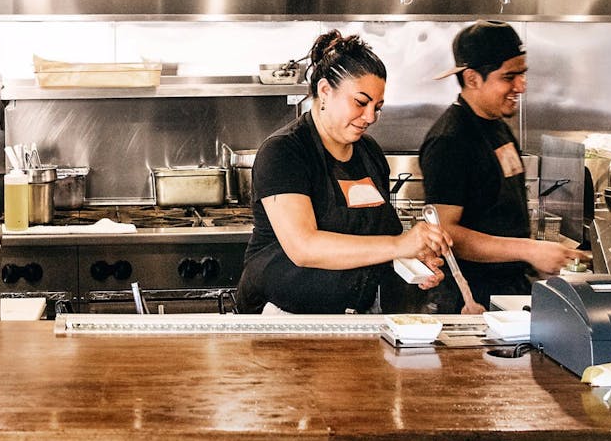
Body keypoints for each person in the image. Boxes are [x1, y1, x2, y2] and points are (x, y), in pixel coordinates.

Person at [235, 30, 449, 315]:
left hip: (353, 315)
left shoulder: (369, 153)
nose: (370, 117)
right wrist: (399, 245)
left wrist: (415, 261)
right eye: (360, 103)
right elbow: (304, 247)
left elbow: (384, 238)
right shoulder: (284, 152)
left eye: (378, 107)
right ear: (325, 91)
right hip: (283, 317)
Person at [419, 20, 585, 313]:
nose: (521, 86)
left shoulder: (496, 125)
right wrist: (530, 251)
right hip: (470, 300)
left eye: (522, 73)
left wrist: (536, 259)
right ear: (472, 79)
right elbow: (445, 234)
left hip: (509, 289)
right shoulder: (450, 140)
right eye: (509, 76)